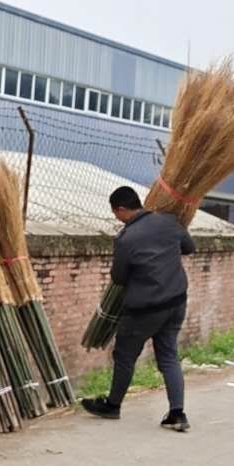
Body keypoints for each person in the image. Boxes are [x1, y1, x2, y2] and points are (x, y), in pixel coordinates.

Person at [81, 185, 195, 432]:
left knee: (124, 355)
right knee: (168, 356)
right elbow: (189, 247)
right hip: (176, 301)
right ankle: (177, 413)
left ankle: (112, 405)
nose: (116, 218)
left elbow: (119, 278)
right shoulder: (169, 221)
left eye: (115, 213)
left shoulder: (126, 238)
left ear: (121, 209)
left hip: (145, 309)